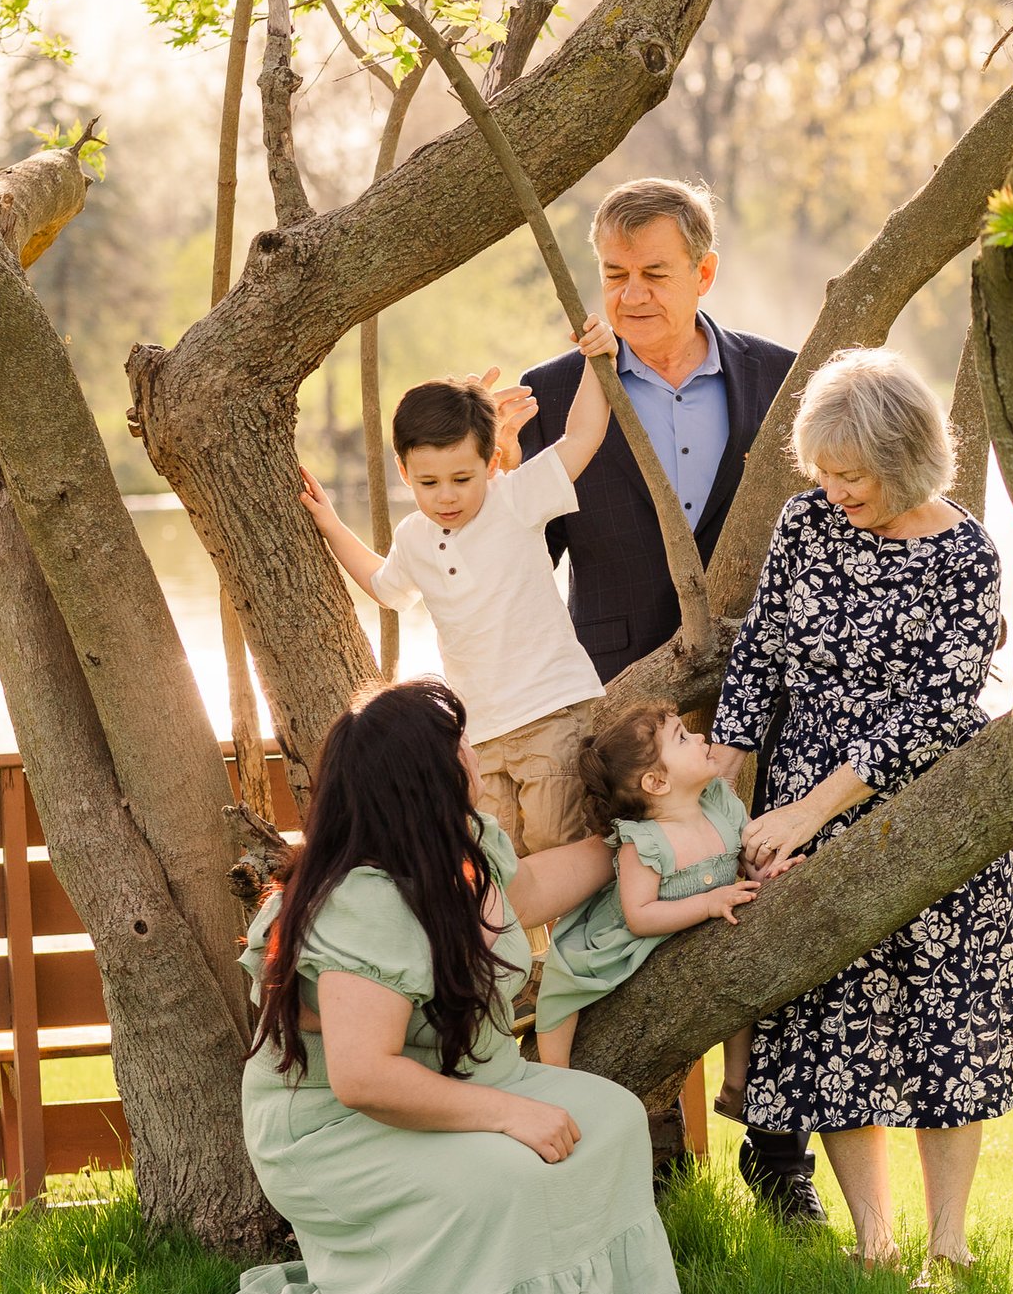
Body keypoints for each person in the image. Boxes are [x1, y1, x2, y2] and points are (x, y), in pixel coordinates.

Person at [185, 679, 682, 1294]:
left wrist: (651, 847)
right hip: (339, 1129)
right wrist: (508, 1113)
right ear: (425, 778)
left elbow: (525, 893)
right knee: (509, 1178)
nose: (473, 755)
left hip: (457, 1081)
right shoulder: (365, 901)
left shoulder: (462, 841)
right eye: (459, 747)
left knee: (617, 1120)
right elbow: (364, 1077)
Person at [506, 177, 818, 1221]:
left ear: (704, 274)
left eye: (654, 274)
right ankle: (651, 1150)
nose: (632, 296)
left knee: (765, 904)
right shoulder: (556, 394)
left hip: (763, 702)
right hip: (620, 720)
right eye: (613, 275)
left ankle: (780, 1162)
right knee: (622, 924)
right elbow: (516, 574)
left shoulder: (782, 383)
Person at [707, 347, 1013, 1285]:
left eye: (851, 474)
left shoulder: (965, 554)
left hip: (926, 810)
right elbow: (764, 648)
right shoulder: (807, 522)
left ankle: (949, 1242)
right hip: (799, 791)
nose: (834, 490)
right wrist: (729, 764)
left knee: (945, 1022)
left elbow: (939, 708)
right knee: (835, 1021)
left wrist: (813, 809)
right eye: (825, 473)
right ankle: (875, 1244)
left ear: (904, 458)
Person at [300, 318, 618, 862]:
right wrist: (331, 524)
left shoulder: (513, 499)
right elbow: (384, 586)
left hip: (551, 714)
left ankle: (576, 949)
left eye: (462, 479)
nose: (446, 496)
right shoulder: (415, 538)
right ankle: (523, 951)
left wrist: (598, 360)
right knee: (501, 861)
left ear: (490, 461)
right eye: (428, 483)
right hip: (480, 736)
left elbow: (582, 436)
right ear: (404, 472)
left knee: (560, 847)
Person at [533, 702, 796, 1077]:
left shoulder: (720, 802)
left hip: (703, 927)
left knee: (740, 978)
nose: (701, 737)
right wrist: (707, 903)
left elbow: (750, 863)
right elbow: (639, 916)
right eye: (683, 738)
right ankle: (554, 1073)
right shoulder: (643, 842)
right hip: (624, 939)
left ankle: (736, 1081)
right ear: (657, 783)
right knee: (566, 985)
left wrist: (773, 870)